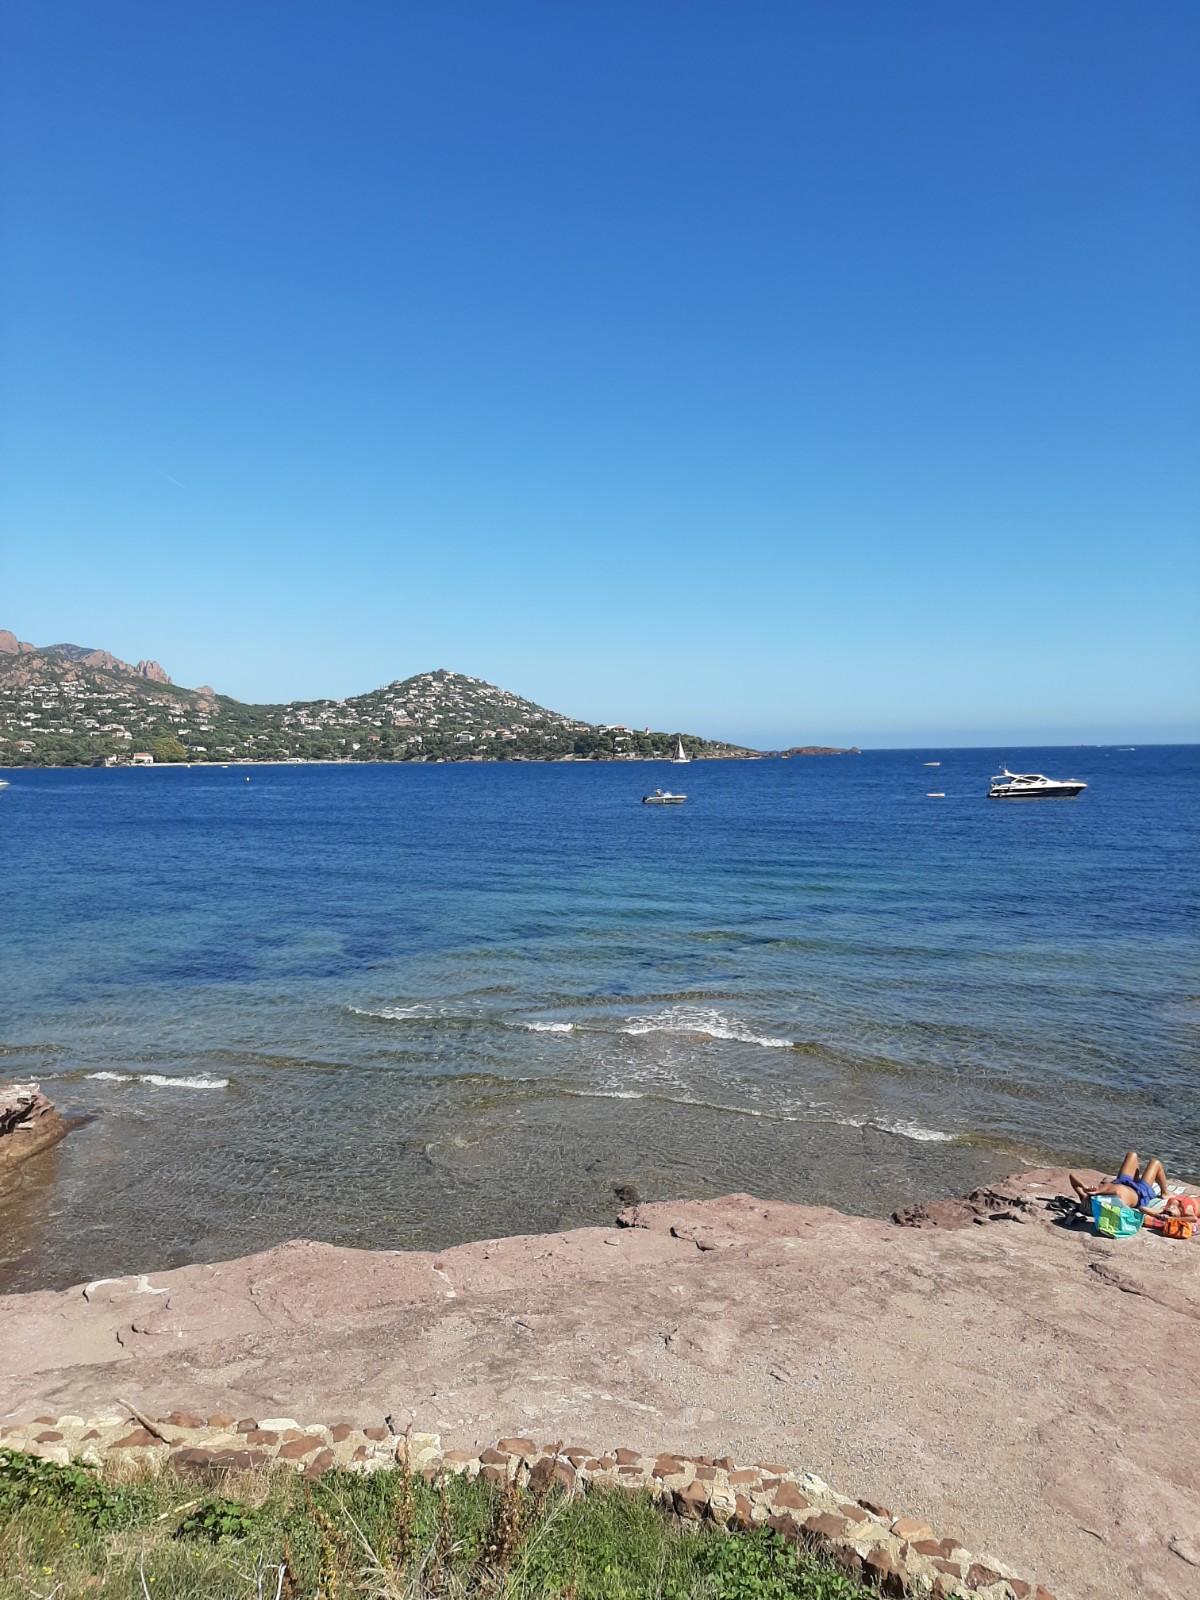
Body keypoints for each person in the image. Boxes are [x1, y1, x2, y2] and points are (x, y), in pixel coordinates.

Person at [1070, 1151, 1168, 1212]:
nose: (1099, 1185)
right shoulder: (1114, 1203)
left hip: (1122, 1182)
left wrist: (1085, 1186)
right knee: (1155, 1163)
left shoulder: (1086, 1200)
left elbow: (1072, 1176)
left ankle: (1137, 1180)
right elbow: (1118, 1192)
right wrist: (1099, 1191)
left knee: (1131, 1155)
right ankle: (1165, 1193)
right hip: (1140, 1193)